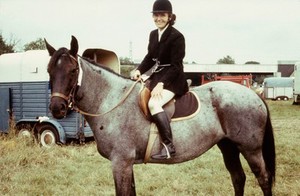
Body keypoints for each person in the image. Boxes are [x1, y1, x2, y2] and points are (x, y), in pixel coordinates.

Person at [132, 0, 188, 160]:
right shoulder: (153, 34)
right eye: (156, 15)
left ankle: (169, 146)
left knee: (153, 103)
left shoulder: (177, 37)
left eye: (162, 15)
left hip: (174, 80)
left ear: (169, 17)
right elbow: (150, 57)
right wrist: (138, 70)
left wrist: (162, 84)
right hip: (158, 76)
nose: (158, 18)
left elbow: (176, 66)